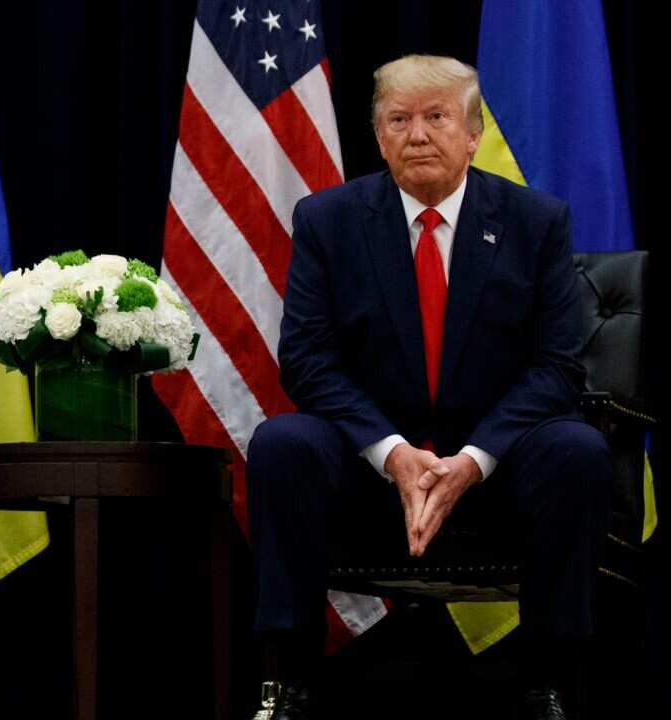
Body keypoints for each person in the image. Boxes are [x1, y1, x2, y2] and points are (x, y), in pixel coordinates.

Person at [246, 56, 611, 720]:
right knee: (282, 443)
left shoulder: (535, 222)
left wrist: (472, 461)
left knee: (576, 450)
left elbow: (558, 367)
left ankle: (549, 684)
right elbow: (306, 360)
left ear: (472, 133)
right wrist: (392, 453)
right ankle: (287, 680)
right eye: (399, 119)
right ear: (379, 136)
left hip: (496, 471)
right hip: (369, 471)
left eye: (437, 117)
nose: (417, 134)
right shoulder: (327, 220)